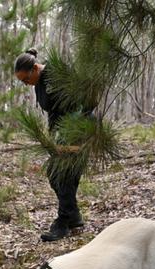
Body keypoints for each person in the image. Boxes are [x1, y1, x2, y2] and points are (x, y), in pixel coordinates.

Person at [14, 48, 96, 242]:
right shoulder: (39, 85)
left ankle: (63, 222)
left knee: (64, 176)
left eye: (26, 79)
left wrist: (76, 132)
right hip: (61, 135)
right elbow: (53, 113)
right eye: (23, 82)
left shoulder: (57, 73)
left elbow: (85, 100)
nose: (26, 84)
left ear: (35, 68)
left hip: (79, 129)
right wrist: (53, 139)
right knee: (55, 175)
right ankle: (73, 218)